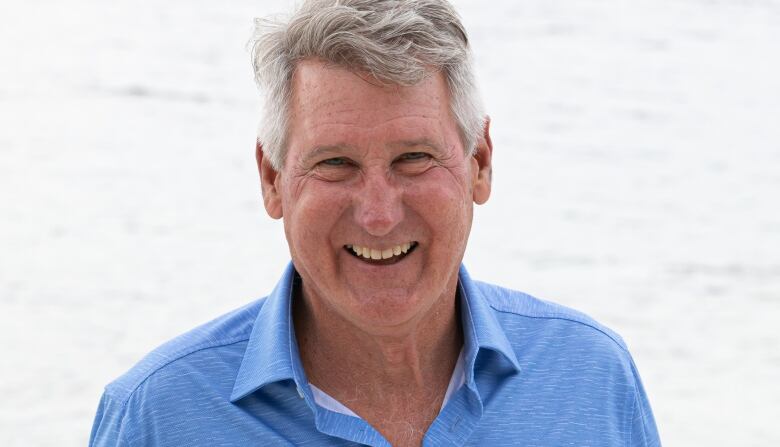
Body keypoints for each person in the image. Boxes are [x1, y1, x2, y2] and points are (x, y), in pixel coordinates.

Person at [89, 0, 661, 445]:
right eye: (335, 164)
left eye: (414, 159)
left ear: (479, 164)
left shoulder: (592, 378)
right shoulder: (157, 416)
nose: (380, 214)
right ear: (272, 180)